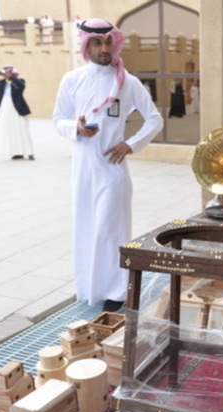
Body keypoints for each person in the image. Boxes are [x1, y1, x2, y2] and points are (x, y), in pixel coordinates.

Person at [52, 18, 163, 313]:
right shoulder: (72, 79)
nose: (104, 48)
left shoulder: (128, 82)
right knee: (87, 227)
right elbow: (58, 119)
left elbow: (155, 119)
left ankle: (117, 290)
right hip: (83, 169)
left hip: (112, 170)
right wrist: (75, 128)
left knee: (110, 230)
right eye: (96, 43)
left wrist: (130, 144)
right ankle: (90, 288)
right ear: (85, 45)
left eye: (108, 42)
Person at [0, 66, 35, 160]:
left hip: (17, 109)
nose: (5, 75)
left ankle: (29, 152)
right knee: (9, 130)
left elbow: (21, 86)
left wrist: (11, 78)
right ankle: (16, 152)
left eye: (7, 73)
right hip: (4, 108)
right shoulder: (1, 82)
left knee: (21, 129)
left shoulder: (19, 81)